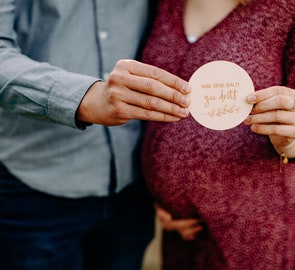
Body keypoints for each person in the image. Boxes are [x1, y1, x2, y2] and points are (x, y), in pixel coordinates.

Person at [141, 0, 295, 269]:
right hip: (180, 229)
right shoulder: (166, 3)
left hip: (254, 226)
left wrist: (290, 137)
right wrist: (160, 193)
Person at [0, 1, 192, 269]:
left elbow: (173, 24)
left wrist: (176, 187)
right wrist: (86, 97)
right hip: (33, 186)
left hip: (132, 185)